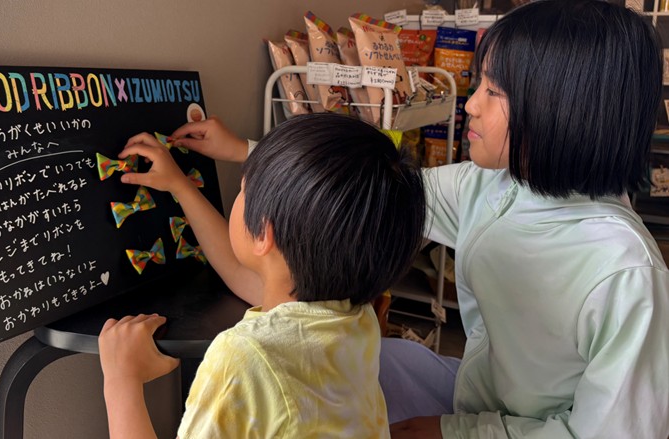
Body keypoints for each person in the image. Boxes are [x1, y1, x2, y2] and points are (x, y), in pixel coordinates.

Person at [168, 2, 669, 437]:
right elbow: (355, 193)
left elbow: (616, 430)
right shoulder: (492, 184)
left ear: (562, 109)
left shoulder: (626, 274)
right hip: (477, 393)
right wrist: (242, 151)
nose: (470, 105)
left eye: (493, 92)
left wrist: (460, 432)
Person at [98, 113, 427, 438]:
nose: (239, 197)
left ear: (263, 234)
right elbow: (239, 270)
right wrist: (180, 187)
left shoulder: (243, 357)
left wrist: (121, 381)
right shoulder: (355, 319)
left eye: (242, 189)